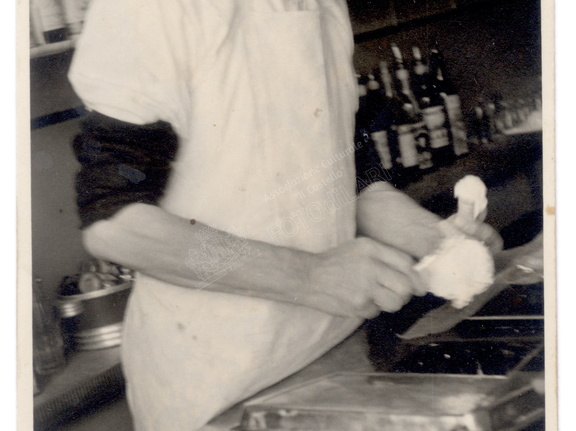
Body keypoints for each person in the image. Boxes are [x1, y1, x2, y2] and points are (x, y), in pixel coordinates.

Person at [68, 0, 501, 429]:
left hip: (334, 359)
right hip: (223, 390)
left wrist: (431, 237)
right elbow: (117, 226)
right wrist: (310, 277)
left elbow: (337, 172)